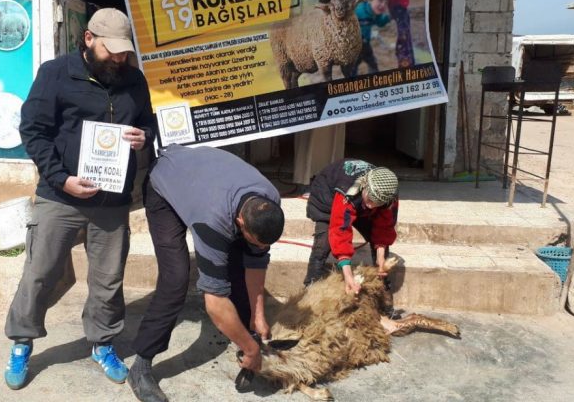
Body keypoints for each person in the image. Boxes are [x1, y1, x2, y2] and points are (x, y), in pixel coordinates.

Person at [3, 8, 157, 390]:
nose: (119, 59)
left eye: (125, 52)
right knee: (40, 273)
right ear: (89, 39)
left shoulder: (134, 80)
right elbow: (34, 130)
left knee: (108, 280)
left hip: (111, 201)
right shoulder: (56, 73)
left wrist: (144, 135)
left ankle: (102, 343)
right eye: (112, 50)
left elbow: (148, 121)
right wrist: (61, 179)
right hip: (61, 196)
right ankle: (22, 342)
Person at [127, 144, 285, 402]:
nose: (262, 248)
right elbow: (214, 302)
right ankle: (141, 365)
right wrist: (252, 349)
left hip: (201, 182)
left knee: (238, 262)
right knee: (175, 279)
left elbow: (255, 261)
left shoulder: (269, 198)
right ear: (241, 222)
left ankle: (248, 344)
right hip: (164, 184)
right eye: (257, 240)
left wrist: (258, 317)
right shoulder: (212, 220)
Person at [302, 159, 399, 297]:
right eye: (370, 200)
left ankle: (382, 292)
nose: (371, 205)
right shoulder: (347, 191)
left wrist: (381, 257)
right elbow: (340, 229)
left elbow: (383, 227)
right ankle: (310, 287)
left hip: (359, 203)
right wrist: (348, 275)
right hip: (328, 196)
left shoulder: (388, 195)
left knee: (379, 243)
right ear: (364, 186)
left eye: (377, 203)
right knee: (323, 243)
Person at [353, 0, 391, 75]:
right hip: (354, 46)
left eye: (386, 3)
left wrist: (388, 18)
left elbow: (380, 23)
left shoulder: (375, 14)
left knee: (373, 65)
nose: (383, 5)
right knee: (352, 68)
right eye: (380, 0)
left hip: (366, 44)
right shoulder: (359, 10)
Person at [389, 0, 415, 68]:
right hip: (403, 7)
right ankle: (409, 61)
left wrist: (390, 6)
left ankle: (404, 63)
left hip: (398, 6)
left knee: (402, 37)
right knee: (406, 35)